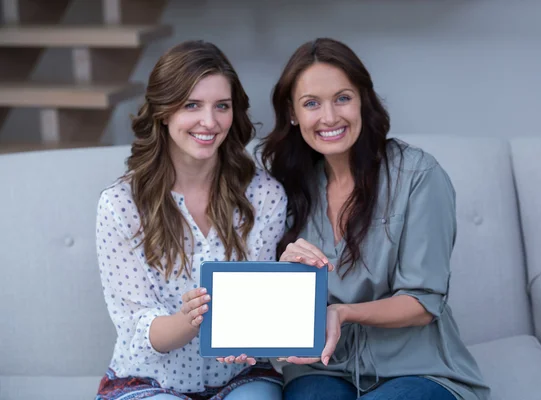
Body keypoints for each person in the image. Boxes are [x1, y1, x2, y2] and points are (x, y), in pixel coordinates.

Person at [259, 38, 490, 400]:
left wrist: (343, 312)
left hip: (417, 369)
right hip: (323, 366)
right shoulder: (287, 187)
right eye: (311, 104)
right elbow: (276, 306)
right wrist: (284, 278)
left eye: (342, 98)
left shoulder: (418, 175)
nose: (330, 117)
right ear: (292, 113)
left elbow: (423, 302)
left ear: (363, 101)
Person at [95, 40, 287, 400]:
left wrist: (251, 327)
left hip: (241, 374)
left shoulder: (265, 195)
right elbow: (138, 327)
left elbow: (259, 305)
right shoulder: (120, 205)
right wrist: (191, 321)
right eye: (191, 105)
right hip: (150, 380)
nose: (210, 122)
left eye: (222, 106)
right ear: (164, 112)